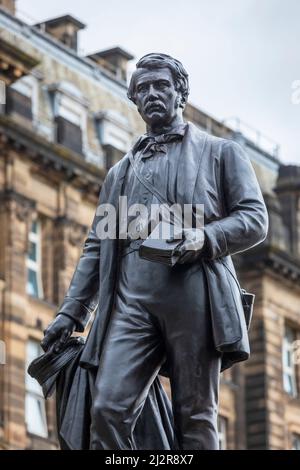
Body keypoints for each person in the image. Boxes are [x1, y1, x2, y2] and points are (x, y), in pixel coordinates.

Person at [41, 53, 268, 450]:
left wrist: (204, 238)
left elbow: (254, 219)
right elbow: (96, 246)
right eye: (142, 89)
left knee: (196, 415)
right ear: (134, 100)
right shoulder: (120, 173)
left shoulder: (221, 153)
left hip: (193, 293)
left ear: (181, 92)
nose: (152, 94)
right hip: (131, 302)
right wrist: (70, 312)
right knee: (108, 409)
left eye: (161, 85)